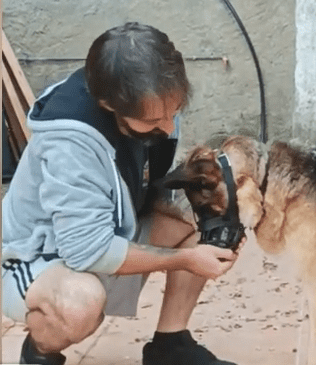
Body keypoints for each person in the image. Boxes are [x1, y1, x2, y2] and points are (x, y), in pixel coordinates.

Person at [2, 22, 241, 365]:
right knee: (80, 306)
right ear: (108, 105)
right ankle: (39, 353)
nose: (170, 125)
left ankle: (170, 346)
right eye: (156, 118)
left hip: (107, 234)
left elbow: (145, 185)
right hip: (40, 256)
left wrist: (214, 224)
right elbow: (87, 250)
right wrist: (186, 259)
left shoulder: (152, 99)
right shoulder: (72, 142)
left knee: (207, 214)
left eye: (174, 112)